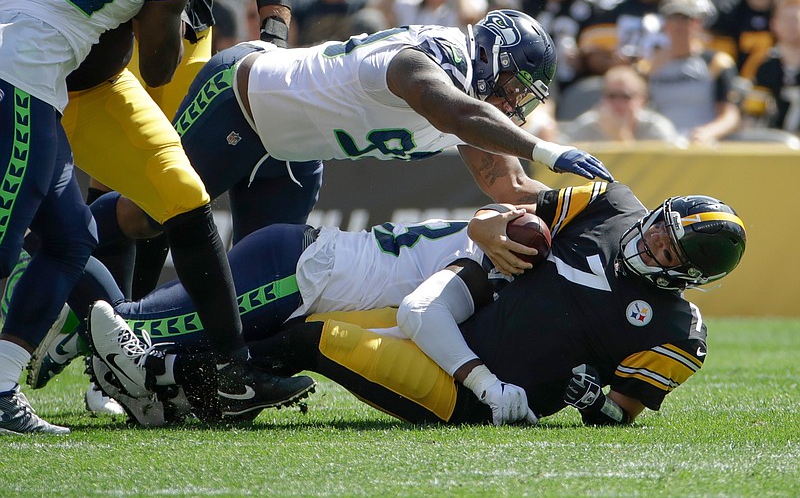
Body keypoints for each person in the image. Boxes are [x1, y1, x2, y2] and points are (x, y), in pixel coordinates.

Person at [84, 179, 747, 427]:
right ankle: (164, 378)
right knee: (298, 320)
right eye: (661, 225)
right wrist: (492, 230)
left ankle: (163, 376)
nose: (653, 240)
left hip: (465, 397)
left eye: (669, 249)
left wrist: (588, 397)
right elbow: (504, 214)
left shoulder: (676, 330)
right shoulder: (608, 205)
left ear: (686, 276)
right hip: (460, 328)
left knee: (314, 339)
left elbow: (620, 413)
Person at [97, 10, 613, 276]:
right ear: (489, 57)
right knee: (152, 215)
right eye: (514, 86)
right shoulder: (430, 61)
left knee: (258, 270)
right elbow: (456, 112)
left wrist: (603, 211)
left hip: (296, 149)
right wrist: (548, 149)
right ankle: (56, 246)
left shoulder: (475, 107)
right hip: (244, 99)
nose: (514, 103)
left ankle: (185, 361)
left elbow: (513, 186)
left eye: (525, 97)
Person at [36, 209, 536, 423]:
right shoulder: (490, 243)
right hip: (299, 273)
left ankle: (78, 334)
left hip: (304, 279)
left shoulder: (494, 241)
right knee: (133, 324)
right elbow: (419, 315)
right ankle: (48, 232)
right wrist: (486, 384)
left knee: (163, 346)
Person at [0, 0, 215, 435]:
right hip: (20, 73)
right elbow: (159, 68)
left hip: (32, 72)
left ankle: (0, 388)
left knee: (71, 239)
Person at [646, 0, 741, 145]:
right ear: (664, 25)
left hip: (703, 145)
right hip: (661, 144)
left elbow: (730, 115)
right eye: (672, 18)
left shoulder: (716, 63)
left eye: (684, 19)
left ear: (697, 23)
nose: (678, 25)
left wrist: (709, 132)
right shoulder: (650, 65)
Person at [577, 0, 708, 76]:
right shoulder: (611, 6)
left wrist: (662, 61)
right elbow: (591, 50)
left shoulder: (694, 5)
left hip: (679, 81)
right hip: (626, 88)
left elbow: (710, 50)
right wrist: (613, 64)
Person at [494, 0, 600, 92]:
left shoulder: (591, 4)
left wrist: (583, 57)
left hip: (572, 84)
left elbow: (599, 51)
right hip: (524, 79)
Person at [564, 64, 682, 144]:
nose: (618, 103)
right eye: (612, 96)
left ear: (642, 100)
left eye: (626, 96)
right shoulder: (587, 126)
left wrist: (620, 137)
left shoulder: (656, 128)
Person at [744, 0, 800, 132]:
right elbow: (753, 112)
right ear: (774, 24)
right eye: (786, 20)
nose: (791, 26)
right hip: (775, 144)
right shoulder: (764, 64)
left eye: (796, 20)